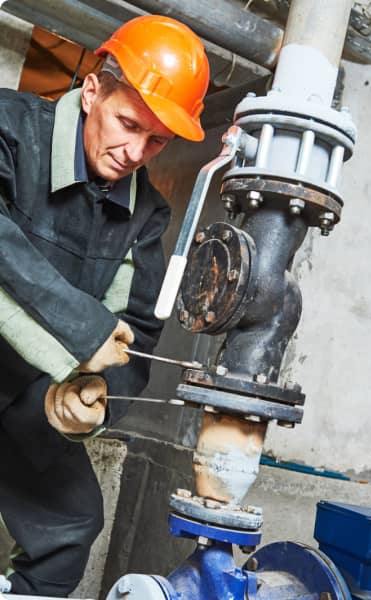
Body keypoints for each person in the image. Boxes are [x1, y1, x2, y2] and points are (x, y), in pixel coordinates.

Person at [0, 14, 209, 597]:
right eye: (127, 124)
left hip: (28, 393)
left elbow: (138, 329)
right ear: (92, 89)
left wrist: (98, 405)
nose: (135, 152)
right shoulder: (10, 126)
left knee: (72, 522)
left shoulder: (147, 214)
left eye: (157, 141)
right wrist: (83, 326)